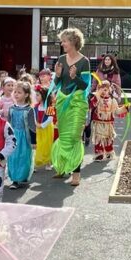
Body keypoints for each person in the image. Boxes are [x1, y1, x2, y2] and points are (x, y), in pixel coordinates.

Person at [46, 27, 91, 188]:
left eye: (64, 41)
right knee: (64, 135)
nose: (62, 43)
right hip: (62, 101)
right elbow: (57, 83)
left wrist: (75, 77)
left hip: (77, 102)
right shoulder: (61, 59)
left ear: (73, 42)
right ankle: (62, 167)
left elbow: (85, 86)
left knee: (74, 136)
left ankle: (76, 173)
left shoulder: (84, 61)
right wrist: (57, 76)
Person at [6, 81, 37, 189]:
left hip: (24, 138)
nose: (16, 94)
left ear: (26, 94)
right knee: (13, 157)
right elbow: (8, 124)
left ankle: (22, 176)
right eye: (15, 92)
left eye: (19, 92)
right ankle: (15, 180)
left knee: (24, 157)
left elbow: (32, 126)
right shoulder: (12, 109)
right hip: (13, 137)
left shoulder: (29, 110)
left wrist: (34, 141)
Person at [90, 79, 120, 160]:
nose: (103, 91)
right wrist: (97, 96)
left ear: (109, 90)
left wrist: (125, 108)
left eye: (106, 89)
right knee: (98, 137)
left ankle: (109, 152)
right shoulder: (97, 99)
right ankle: (99, 153)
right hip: (98, 122)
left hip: (108, 123)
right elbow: (92, 105)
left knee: (108, 137)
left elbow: (117, 111)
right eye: (101, 89)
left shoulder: (112, 100)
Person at [34, 68, 56, 170]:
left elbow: (50, 119)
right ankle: (37, 161)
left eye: (37, 95)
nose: (36, 97)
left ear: (43, 96)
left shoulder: (50, 107)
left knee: (48, 144)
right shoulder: (36, 106)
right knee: (39, 144)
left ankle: (48, 162)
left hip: (47, 128)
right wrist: (36, 124)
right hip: (38, 129)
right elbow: (34, 116)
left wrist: (41, 125)